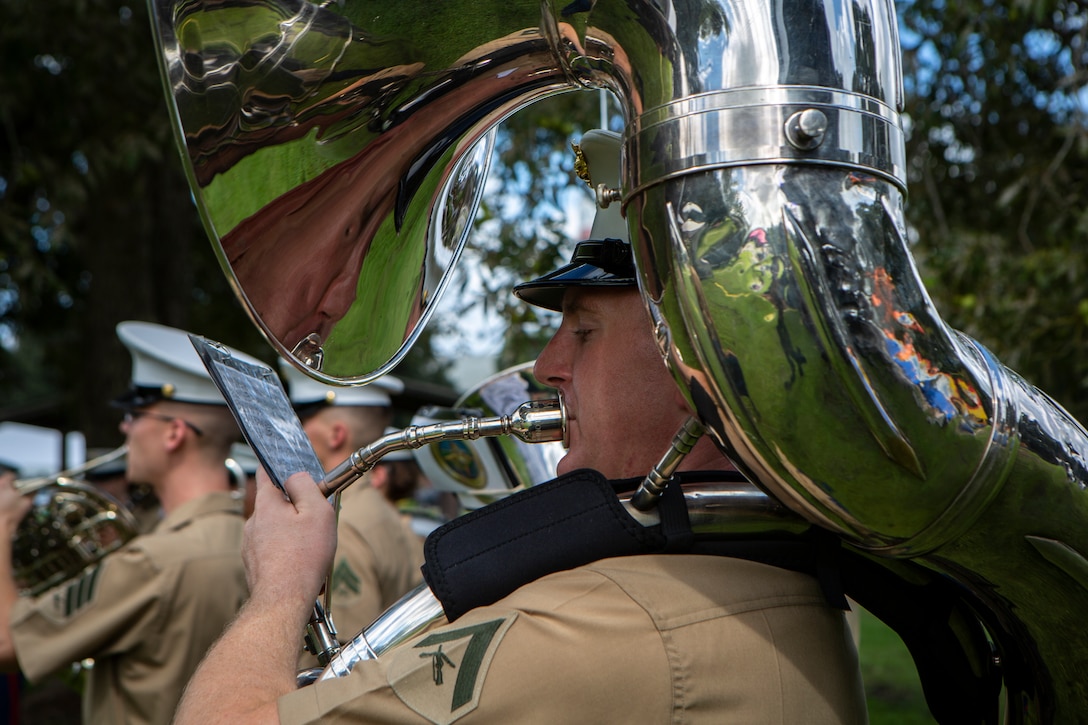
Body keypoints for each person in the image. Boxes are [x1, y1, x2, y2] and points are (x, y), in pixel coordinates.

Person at [174, 130, 866, 724]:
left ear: (700, 370)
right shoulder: (786, 570)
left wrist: (281, 584)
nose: (546, 363)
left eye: (584, 331)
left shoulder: (583, 629)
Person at [0, 320, 259, 725]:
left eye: (135, 413)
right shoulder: (254, 542)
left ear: (174, 433)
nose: (124, 427)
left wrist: (2, 526)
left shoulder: (153, 562)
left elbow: (7, 643)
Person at [279, 363, 425, 647]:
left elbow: (340, 659)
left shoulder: (338, 525)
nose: (296, 435)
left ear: (336, 435)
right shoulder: (384, 512)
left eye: (303, 422)